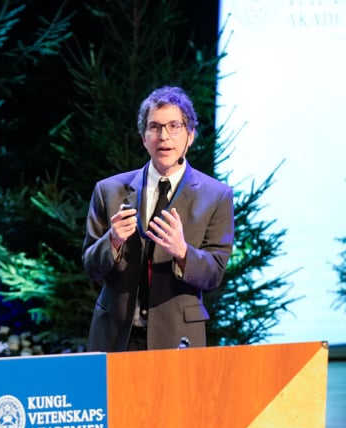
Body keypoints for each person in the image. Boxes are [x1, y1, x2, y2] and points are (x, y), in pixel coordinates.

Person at [82, 85, 234, 352]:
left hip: (177, 338)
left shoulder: (216, 195)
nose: (164, 136)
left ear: (190, 135)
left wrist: (183, 252)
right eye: (154, 127)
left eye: (174, 126)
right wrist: (113, 240)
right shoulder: (109, 191)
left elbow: (214, 274)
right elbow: (91, 267)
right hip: (115, 335)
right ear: (144, 137)